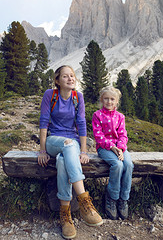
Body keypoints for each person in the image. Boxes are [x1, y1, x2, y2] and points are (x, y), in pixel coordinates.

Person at [38, 65, 103, 239]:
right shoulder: (49, 95)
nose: (70, 79)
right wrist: (42, 150)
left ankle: (65, 216)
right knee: (68, 145)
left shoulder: (78, 97)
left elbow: (81, 123)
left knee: (62, 161)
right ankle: (84, 200)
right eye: (65, 76)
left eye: (72, 76)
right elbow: (44, 122)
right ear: (57, 80)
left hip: (72, 143)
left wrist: (84, 151)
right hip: (53, 141)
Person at [92, 86, 134, 220]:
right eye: (106, 99)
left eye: (112, 99)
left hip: (120, 148)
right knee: (118, 165)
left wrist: (120, 148)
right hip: (104, 148)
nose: (109, 102)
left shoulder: (120, 117)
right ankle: (112, 198)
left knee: (128, 165)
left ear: (117, 102)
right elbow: (99, 137)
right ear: (101, 100)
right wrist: (112, 148)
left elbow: (123, 135)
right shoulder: (97, 115)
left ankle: (123, 199)